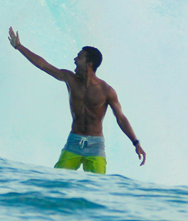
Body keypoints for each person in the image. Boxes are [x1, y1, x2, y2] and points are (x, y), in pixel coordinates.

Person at [8, 27, 146, 174]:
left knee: (97, 185)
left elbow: (121, 118)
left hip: (95, 146)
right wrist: (19, 47)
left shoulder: (106, 90)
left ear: (89, 64)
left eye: (79, 57)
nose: (74, 59)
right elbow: (44, 65)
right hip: (74, 141)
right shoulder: (70, 79)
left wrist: (136, 143)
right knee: (57, 180)